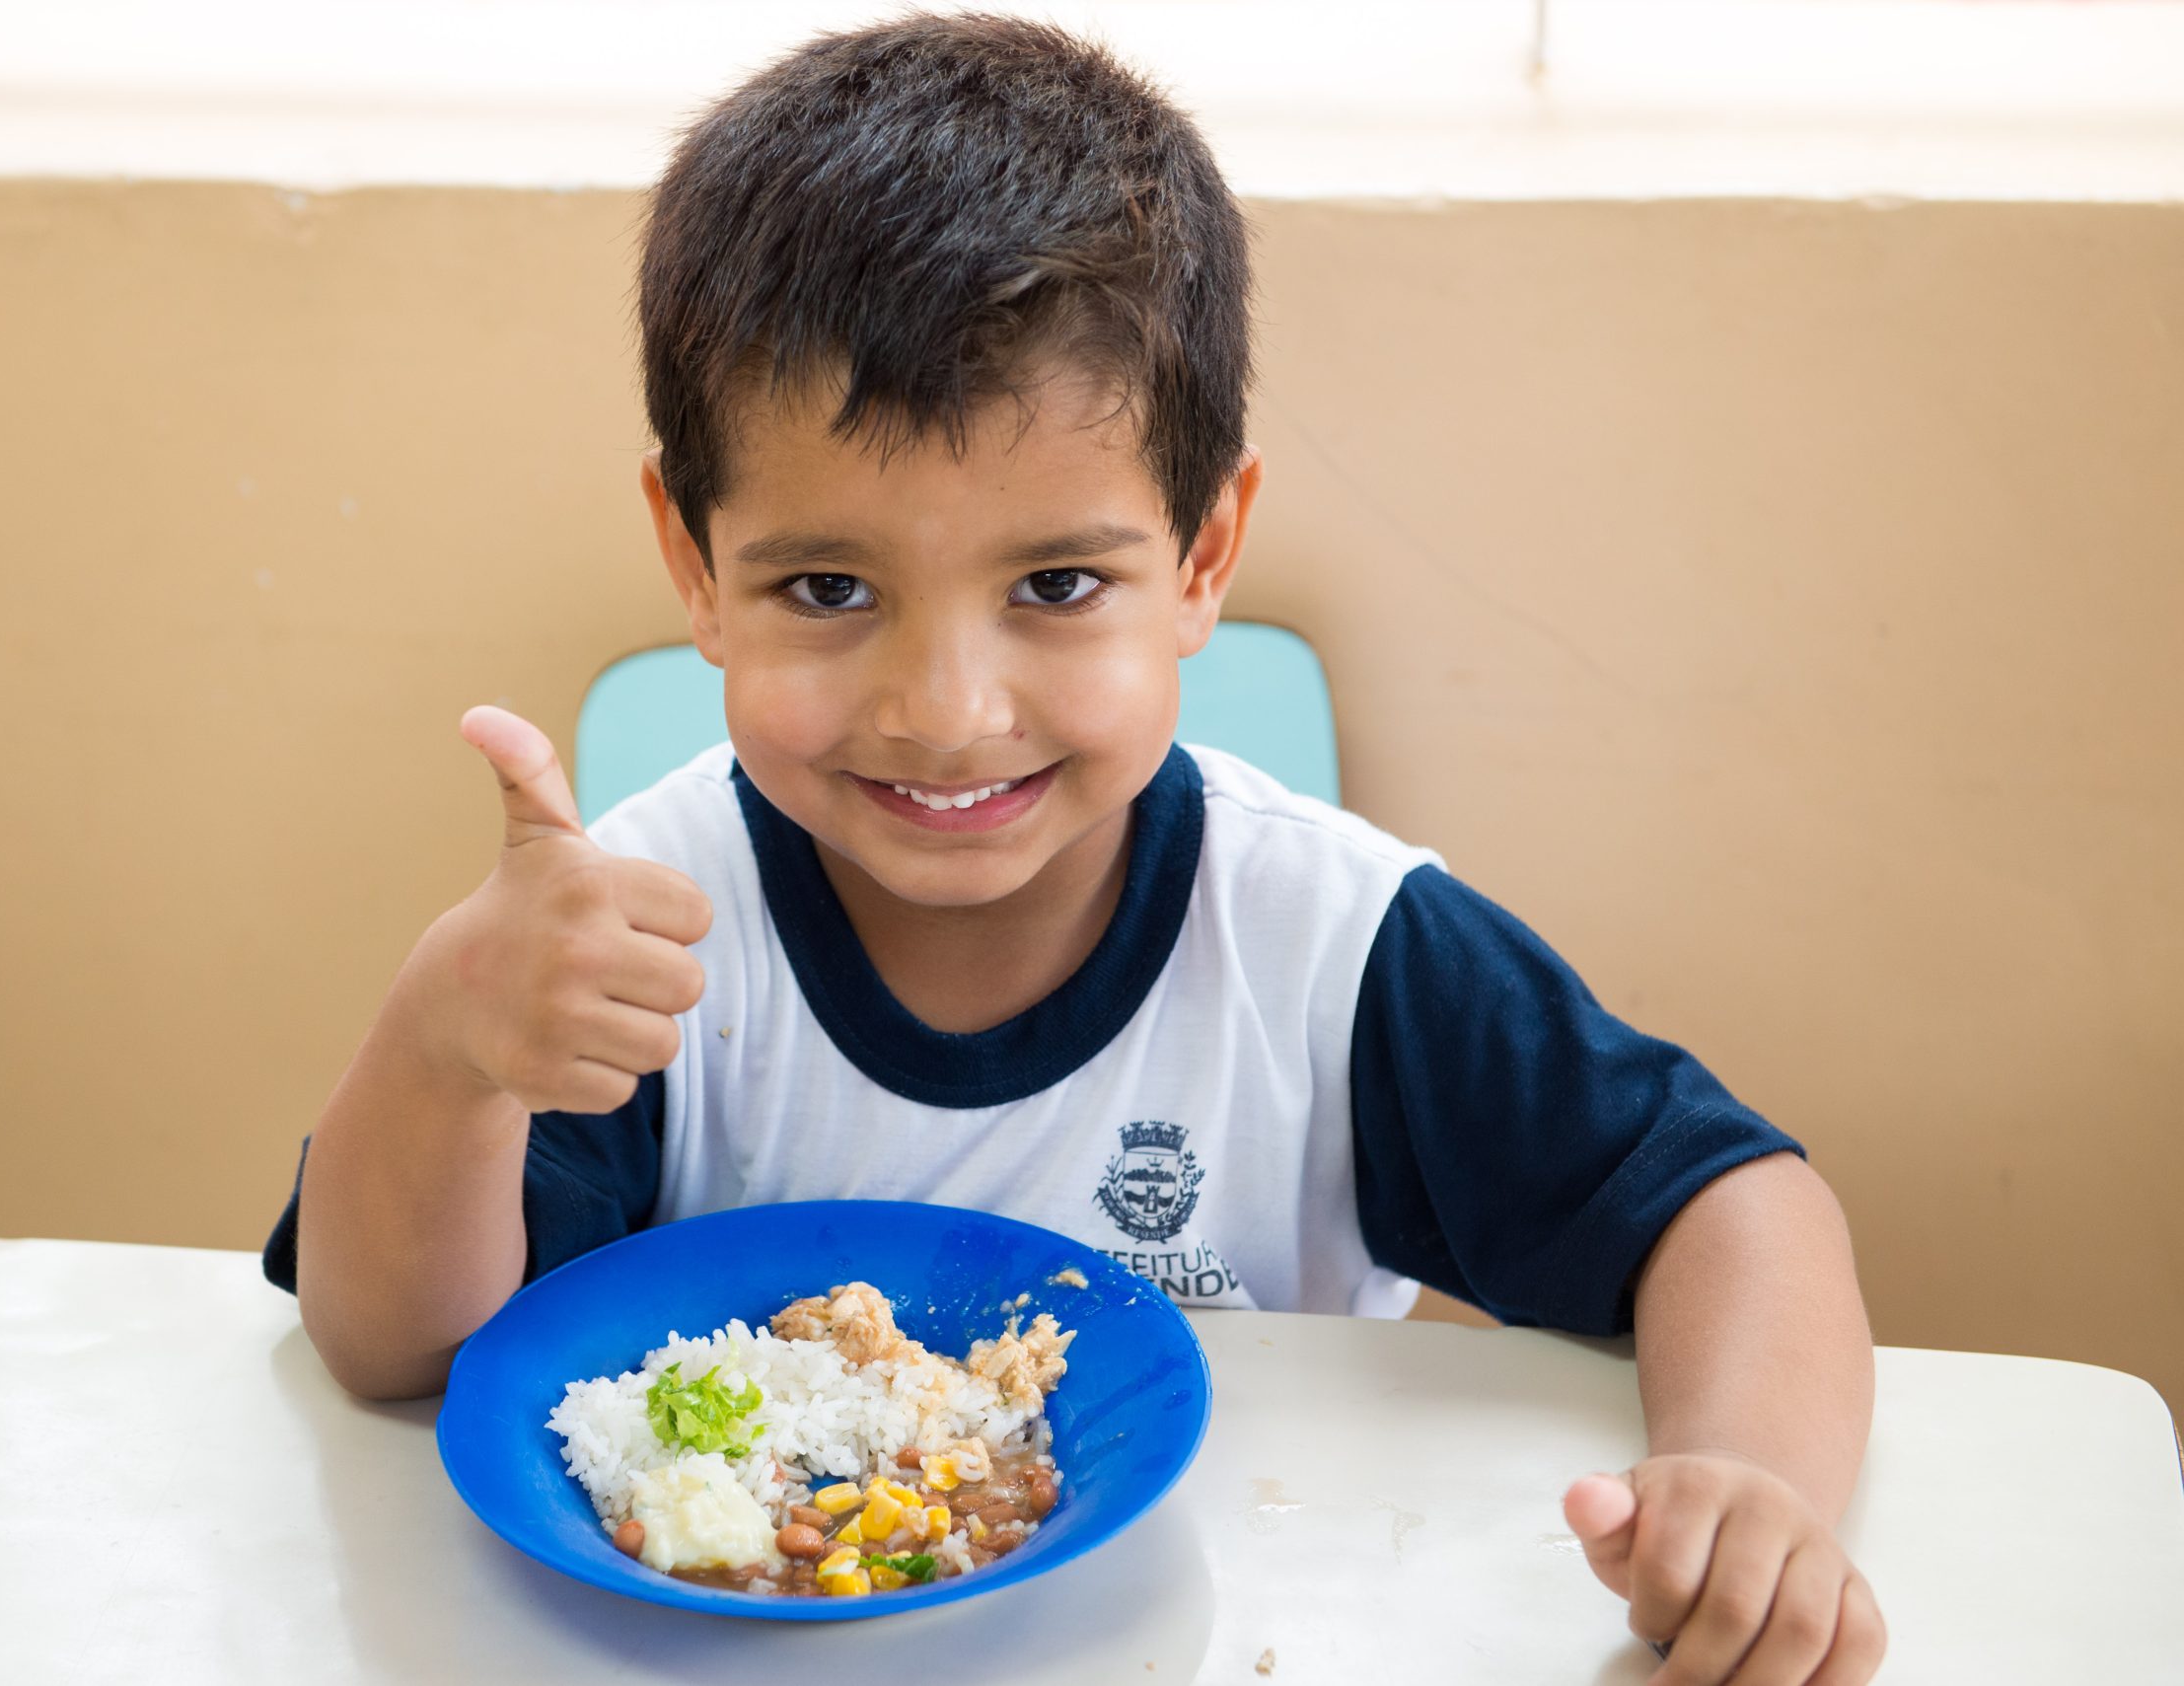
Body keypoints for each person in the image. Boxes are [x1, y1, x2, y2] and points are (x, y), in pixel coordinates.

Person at [261, 15, 1883, 1681]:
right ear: (694, 560)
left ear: (1204, 553)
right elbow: (398, 1350)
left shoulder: (1325, 943)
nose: (949, 711)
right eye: (830, 589)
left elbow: (1733, 1206)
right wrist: (447, 1036)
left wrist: (1750, 1481)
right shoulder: (659, 928)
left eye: (1055, 586)